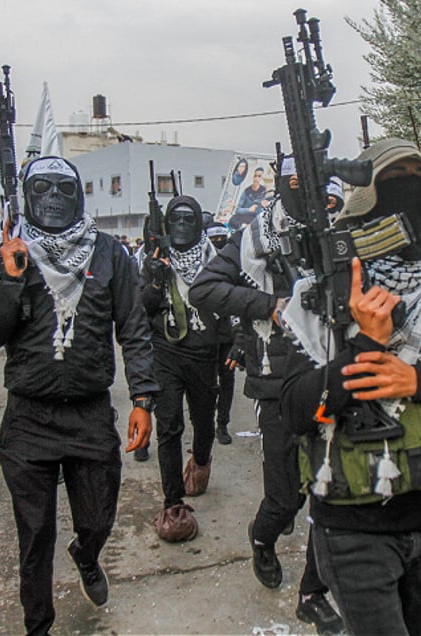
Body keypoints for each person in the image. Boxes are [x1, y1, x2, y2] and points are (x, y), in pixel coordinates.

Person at [280, 138, 421, 635]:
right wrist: (365, 342)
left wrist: (420, 380)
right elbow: (296, 410)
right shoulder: (320, 292)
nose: (412, 189)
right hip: (350, 525)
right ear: (368, 197)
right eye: (395, 179)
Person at [0, 155, 158, 636]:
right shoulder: (7, 256)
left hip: (90, 415)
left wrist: (143, 398)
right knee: (34, 536)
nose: (53, 198)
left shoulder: (109, 254)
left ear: (80, 196)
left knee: (97, 518)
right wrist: (10, 282)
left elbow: (134, 330)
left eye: (64, 188)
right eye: (43, 188)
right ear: (27, 197)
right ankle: (39, 626)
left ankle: (87, 556)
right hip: (28, 420)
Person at [190, 157, 345, 635]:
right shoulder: (256, 237)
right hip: (277, 381)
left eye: (326, 193)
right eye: (298, 185)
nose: (316, 200)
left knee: (331, 493)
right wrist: (271, 307)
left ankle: (312, 594)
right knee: (285, 498)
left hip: (334, 376)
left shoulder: (344, 235)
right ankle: (262, 539)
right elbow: (205, 288)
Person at [139, 195, 221, 543]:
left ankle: (200, 463)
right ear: (166, 225)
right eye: (177, 220)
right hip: (166, 353)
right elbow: (142, 309)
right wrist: (157, 279)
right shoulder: (154, 259)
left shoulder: (213, 259)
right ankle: (173, 503)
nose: (183, 226)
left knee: (204, 422)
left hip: (204, 355)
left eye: (190, 219)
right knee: (169, 426)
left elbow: (227, 301)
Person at [203, 219, 236, 445]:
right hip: (203, 332)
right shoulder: (199, 260)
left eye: (221, 239)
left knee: (226, 379)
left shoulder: (235, 261)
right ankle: (205, 423)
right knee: (206, 382)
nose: (218, 243)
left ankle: (222, 423)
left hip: (229, 331)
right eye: (213, 239)